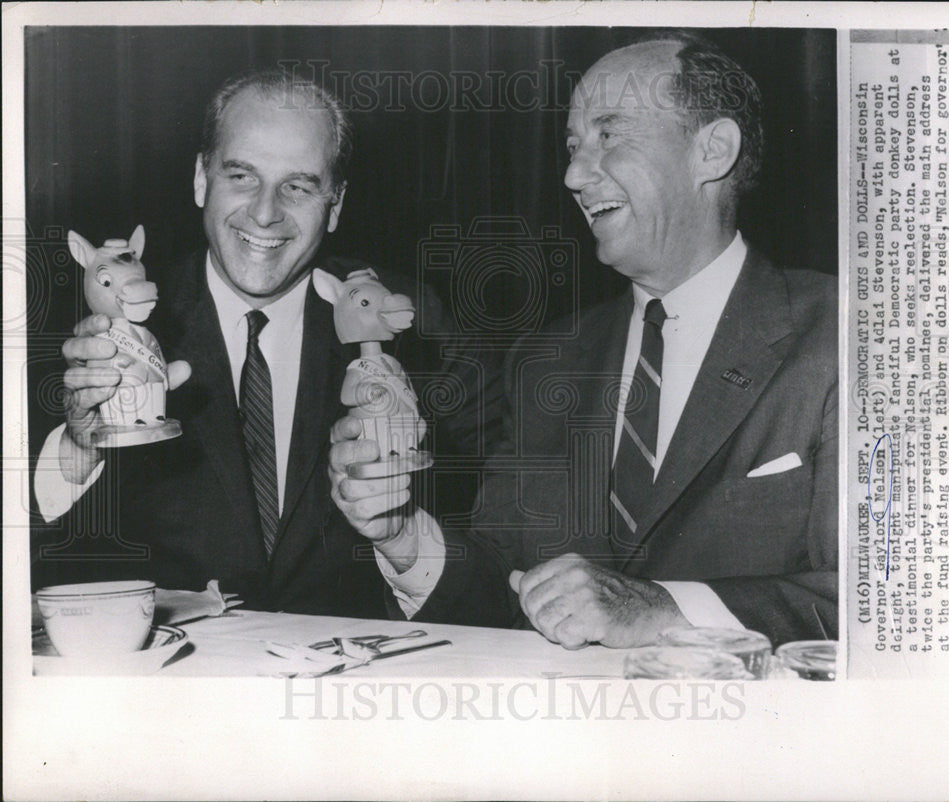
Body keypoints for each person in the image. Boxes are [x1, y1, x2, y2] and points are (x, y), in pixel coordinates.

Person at [331, 33, 838, 647]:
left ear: (713, 150)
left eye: (608, 135)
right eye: (572, 146)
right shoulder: (547, 359)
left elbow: (894, 608)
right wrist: (401, 534)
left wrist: (665, 610)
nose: (573, 173)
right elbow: (505, 589)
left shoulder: (847, 336)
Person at [31, 70, 499, 615]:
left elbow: (490, 561)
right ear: (202, 178)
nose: (265, 212)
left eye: (298, 186)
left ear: (336, 203)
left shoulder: (412, 326)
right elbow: (28, 560)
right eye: (242, 176)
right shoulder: (91, 329)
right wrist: (78, 448)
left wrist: (400, 535)